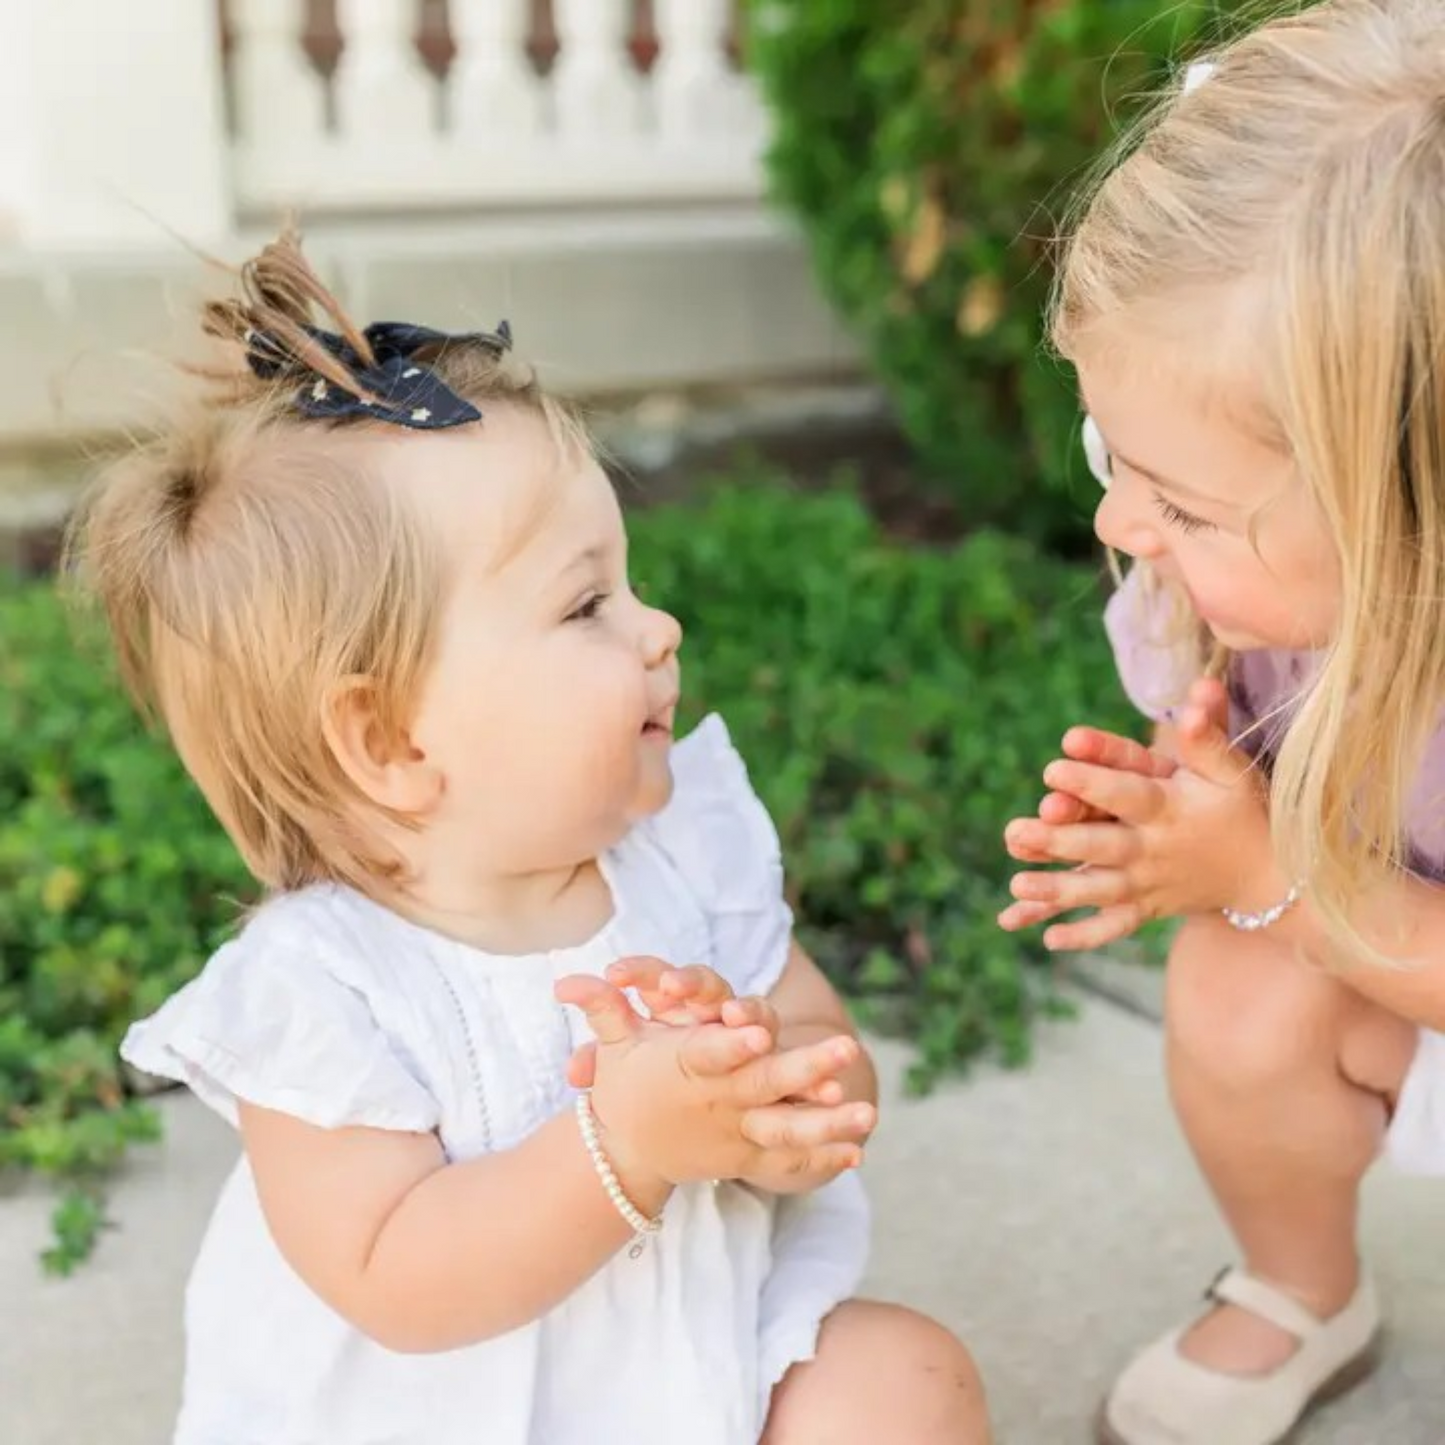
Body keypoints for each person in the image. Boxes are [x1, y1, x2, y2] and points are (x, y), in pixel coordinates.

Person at [71, 228, 988, 1445]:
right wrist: (625, 1139)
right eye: (585, 602)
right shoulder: (320, 994)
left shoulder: (683, 858)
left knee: (900, 1382)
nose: (657, 627)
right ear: (392, 743)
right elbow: (399, 1276)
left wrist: (765, 1087)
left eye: (628, 580)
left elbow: (825, 1046)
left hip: (697, 1376)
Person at [998, 2, 1445, 1441]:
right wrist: (1193, 829)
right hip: (1391, 962)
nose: (1119, 521)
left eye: (1181, 504)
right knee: (1236, 990)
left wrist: (1269, 873)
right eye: (1107, 454)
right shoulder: (1235, 615)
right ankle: (1300, 1284)